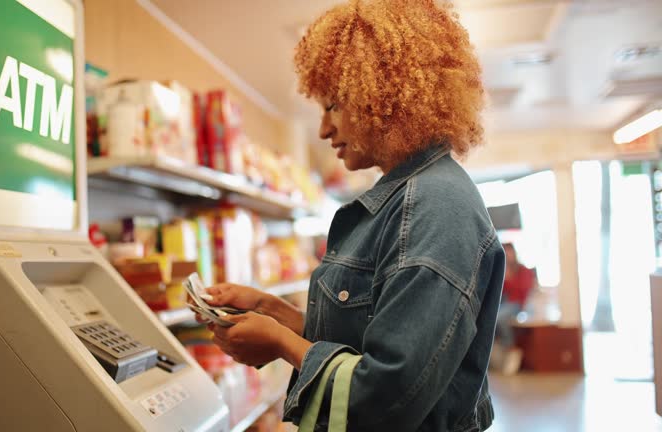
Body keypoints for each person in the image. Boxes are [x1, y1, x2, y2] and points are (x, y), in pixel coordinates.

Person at [195, 1, 505, 430]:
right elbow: (366, 338)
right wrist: (270, 310)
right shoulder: (407, 197)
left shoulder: (433, 208)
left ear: (383, 94)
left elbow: (387, 392)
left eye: (333, 106)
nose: (323, 129)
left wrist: (281, 343)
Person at [491, 243, 537, 375]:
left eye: (510, 252)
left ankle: (512, 349)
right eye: (506, 252)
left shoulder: (524, 270)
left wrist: (508, 279)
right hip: (503, 305)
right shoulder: (501, 269)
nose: (508, 255)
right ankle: (500, 356)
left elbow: (523, 290)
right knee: (491, 318)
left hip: (518, 305)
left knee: (499, 318)